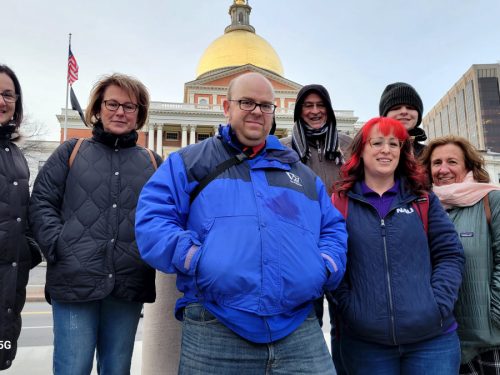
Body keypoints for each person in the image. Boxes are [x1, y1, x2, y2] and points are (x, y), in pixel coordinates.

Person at [135, 72, 347, 374]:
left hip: (298, 325)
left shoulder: (299, 173)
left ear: (274, 113)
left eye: (265, 105)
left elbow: (333, 228)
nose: (257, 111)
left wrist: (324, 265)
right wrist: (195, 258)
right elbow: (153, 218)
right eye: (246, 102)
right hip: (216, 322)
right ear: (226, 107)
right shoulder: (190, 162)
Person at [29, 73, 161, 375]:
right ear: (98, 108)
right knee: (72, 366)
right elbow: (42, 202)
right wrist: (59, 246)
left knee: (117, 367)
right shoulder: (71, 151)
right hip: (75, 279)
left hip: (128, 282)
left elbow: (166, 215)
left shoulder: (153, 162)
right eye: (112, 104)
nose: (120, 112)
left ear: (139, 114)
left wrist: (149, 252)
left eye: (129, 106)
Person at [332, 117, 465, 374]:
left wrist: (437, 305)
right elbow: (334, 261)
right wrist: (351, 310)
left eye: (394, 144)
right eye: (378, 142)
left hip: (432, 341)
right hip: (365, 345)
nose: (386, 150)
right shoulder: (340, 203)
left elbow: (449, 254)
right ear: (361, 150)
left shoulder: (423, 199)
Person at [280, 84, 351, 372]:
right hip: (301, 248)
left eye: (320, 105)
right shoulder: (284, 149)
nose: (314, 111)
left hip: (347, 244)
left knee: (347, 323)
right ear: (299, 111)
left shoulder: (348, 145)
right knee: (307, 322)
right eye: (307, 105)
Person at [420, 135, 500, 374]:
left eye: (452, 162)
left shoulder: (490, 199)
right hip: (443, 340)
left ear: (468, 166)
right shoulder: (422, 207)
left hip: (490, 340)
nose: (443, 169)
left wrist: (495, 313)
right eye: (436, 163)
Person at [0, 64, 42, 371]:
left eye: (8, 94)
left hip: (8, 289)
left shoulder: (13, 153)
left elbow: (20, 213)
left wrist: (29, 250)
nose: (2, 102)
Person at [379, 82, 427, 156]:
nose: (404, 112)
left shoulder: (432, 154)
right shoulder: (370, 152)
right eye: (396, 108)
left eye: (410, 108)